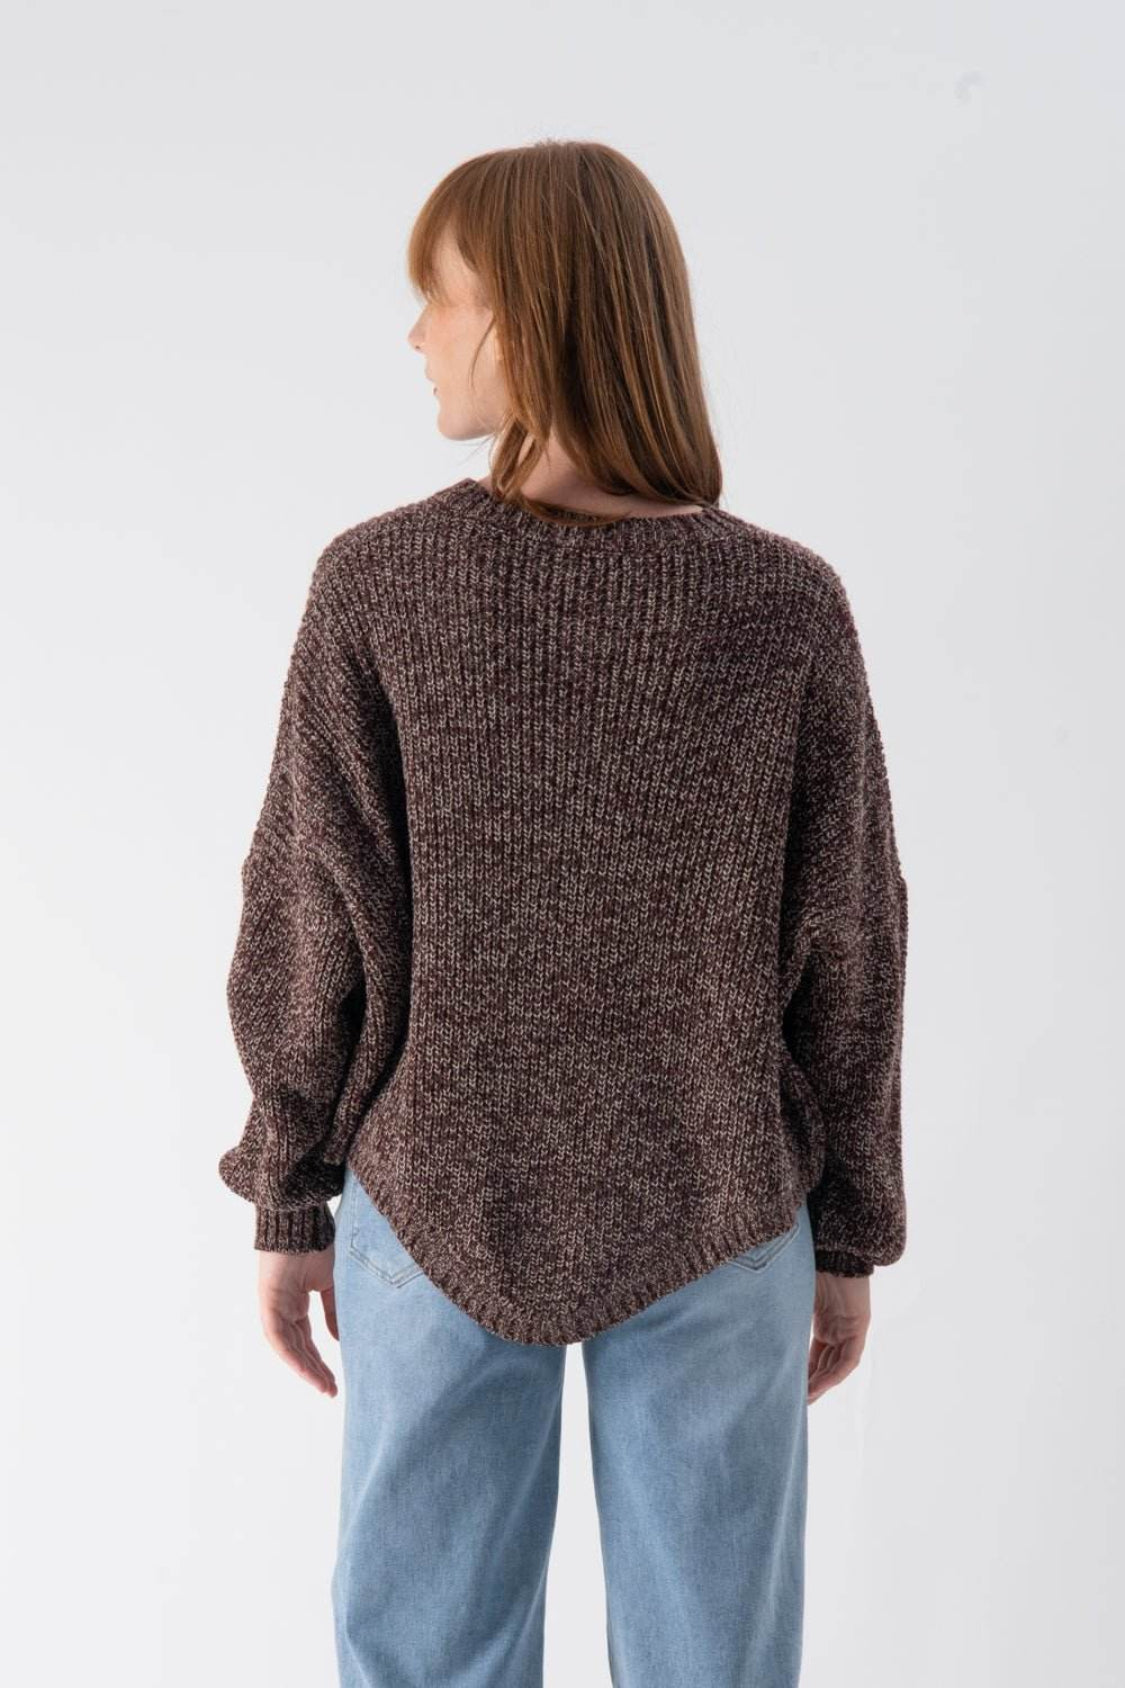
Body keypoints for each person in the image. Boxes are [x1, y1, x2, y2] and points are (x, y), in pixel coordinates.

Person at [219, 139, 909, 1688]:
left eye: (439, 296)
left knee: (426, 1662)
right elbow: (851, 938)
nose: (416, 334)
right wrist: (849, 1226)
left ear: (525, 318)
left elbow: (313, 909)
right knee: (712, 1665)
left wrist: (291, 1186)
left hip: (435, 1194)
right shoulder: (778, 603)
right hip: (716, 1201)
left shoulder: (382, 585)